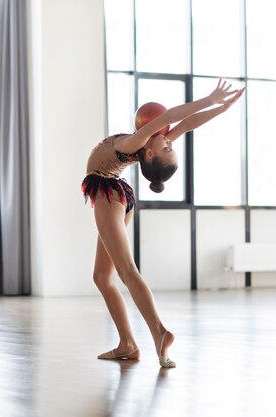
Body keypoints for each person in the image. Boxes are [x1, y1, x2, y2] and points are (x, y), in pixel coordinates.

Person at [82, 79, 245, 368]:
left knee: (126, 270)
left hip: (108, 195)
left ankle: (158, 332)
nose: (170, 141)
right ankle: (128, 344)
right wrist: (221, 109)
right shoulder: (150, 142)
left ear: (150, 153)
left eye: (167, 147)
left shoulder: (137, 141)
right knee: (101, 277)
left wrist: (211, 99)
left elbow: (170, 117)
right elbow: (188, 124)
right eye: (171, 144)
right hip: (117, 194)